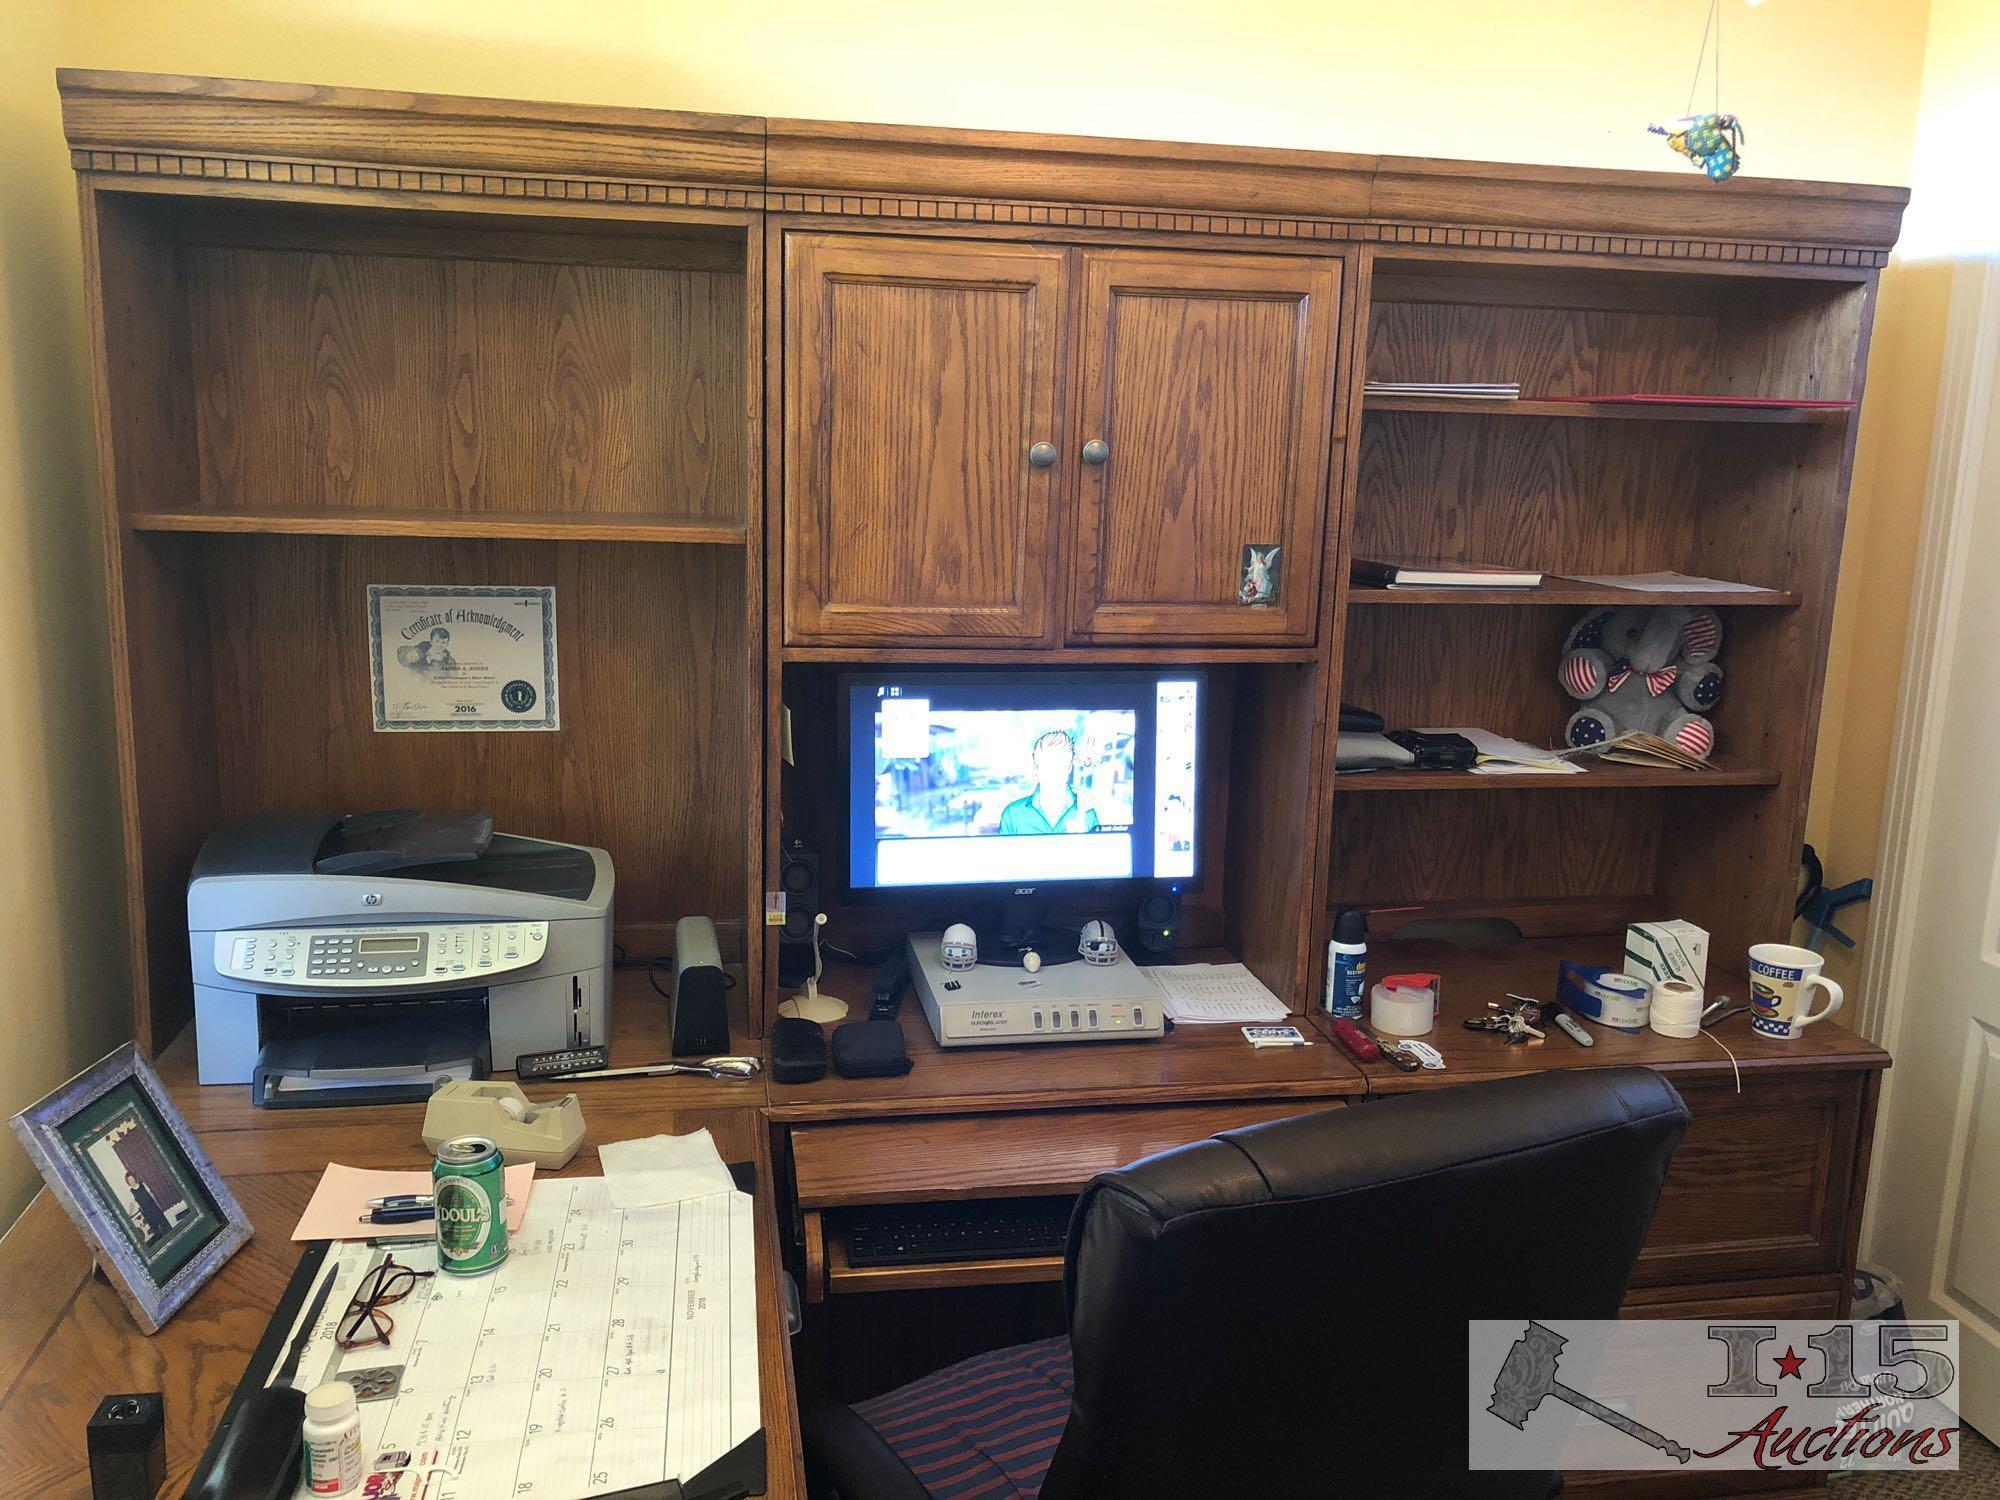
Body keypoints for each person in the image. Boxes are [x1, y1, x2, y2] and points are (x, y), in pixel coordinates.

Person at [999, 730, 1100, 834]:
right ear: (1036, 768)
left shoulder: (1087, 814)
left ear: (1069, 767)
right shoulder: (1012, 815)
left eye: (1059, 766)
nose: (1053, 773)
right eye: (1047, 766)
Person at [125, 1170, 169, 1244]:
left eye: (132, 1178)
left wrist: (158, 1205)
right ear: (128, 1182)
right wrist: (129, 1215)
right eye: (130, 1180)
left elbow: (151, 1194)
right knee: (157, 1231)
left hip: (154, 1208)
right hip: (147, 1213)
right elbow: (132, 1204)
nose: (132, 1181)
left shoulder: (143, 1184)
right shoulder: (131, 1192)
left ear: (135, 1178)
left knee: (165, 1225)